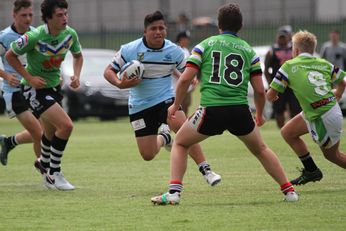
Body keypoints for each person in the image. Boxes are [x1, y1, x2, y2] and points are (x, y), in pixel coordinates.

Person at [151, 3, 298, 205]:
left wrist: (175, 105)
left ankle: (174, 193)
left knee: (181, 142)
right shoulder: (248, 50)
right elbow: (258, 89)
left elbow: (185, 79)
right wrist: (261, 114)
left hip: (212, 110)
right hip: (239, 110)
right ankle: (289, 192)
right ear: (241, 25)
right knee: (261, 149)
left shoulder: (205, 45)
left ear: (219, 24)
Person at [104, 10, 221, 186]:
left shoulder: (174, 51)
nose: (158, 32)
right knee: (148, 154)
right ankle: (165, 138)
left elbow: (186, 71)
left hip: (165, 100)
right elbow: (108, 71)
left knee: (182, 127)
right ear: (145, 31)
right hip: (139, 105)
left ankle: (207, 170)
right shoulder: (129, 49)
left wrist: (192, 77)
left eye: (161, 28)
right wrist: (120, 83)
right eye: (153, 28)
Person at [6, 0, 83, 190]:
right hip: (34, 89)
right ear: (48, 18)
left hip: (54, 88)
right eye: (59, 15)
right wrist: (29, 78)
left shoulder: (70, 34)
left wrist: (76, 76)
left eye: (65, 14)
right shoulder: (35, 36)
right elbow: (10, 55)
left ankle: (43, 163)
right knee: (66, 126)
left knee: (49, 134)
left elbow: (78, 55)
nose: (65, 18)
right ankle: (54, 174)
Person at [267, 30, 346, 186]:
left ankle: (312, 171)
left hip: (323, 116)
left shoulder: (288, 66)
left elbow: (270, 95)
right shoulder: (323, 63)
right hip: (325, 111)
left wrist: (272, 96)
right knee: (287, 132)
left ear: (295, 50)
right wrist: (337, 94)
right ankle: (311, 171)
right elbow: (342, 82)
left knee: (333, 156)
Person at [0, 0, 43, 172]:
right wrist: (6, 75)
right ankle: (46, 171)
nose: (28, 19)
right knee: (39, 134)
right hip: (14, 93)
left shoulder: (36, 34)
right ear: (14, 15)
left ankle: (8, 141)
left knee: (43, 133)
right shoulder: (4, 37)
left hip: (34, 91)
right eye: (23, 15)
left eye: (30, 15)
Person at [264, 26, 301, 128]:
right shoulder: (272, 51)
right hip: (278, 84)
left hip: (292, 84)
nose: (282, 39)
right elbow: (266, 69)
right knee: (279, 108)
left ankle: (294, 129)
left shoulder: (294, 49)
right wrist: (271, 84)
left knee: (295, 107)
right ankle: (282, 129)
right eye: (280, 37)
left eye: (284, 37)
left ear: (288, 37)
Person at [173, 30, 197, 116]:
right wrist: (183, 77)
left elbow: (190, 66)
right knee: (178, 108)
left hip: (187, 85)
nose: (188, 41)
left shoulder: (186, 50)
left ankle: (183, 125)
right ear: (181, 39)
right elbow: (172, 69)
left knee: (186, 105)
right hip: (177, 85)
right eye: (186, 39)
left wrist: (194, 78)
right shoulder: (175, 50)